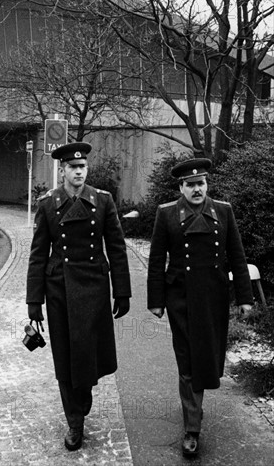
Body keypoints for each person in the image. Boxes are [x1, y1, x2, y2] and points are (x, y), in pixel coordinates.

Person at [26, 142, 131, 451]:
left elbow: (116, 247)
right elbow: (37, 256)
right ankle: (74, 421)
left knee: (86, 356)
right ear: (63, 170)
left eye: (83, 167)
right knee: (65, 357)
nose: (79, 172)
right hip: (59, 289)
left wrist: (122, 291)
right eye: (73, 167)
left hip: (94, 289)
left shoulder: (102, 201)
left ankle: (81, 398)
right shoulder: (48, 204)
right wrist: (34, 303)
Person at [147, 158, 253, 458]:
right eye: (190, 185)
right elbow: (156, 260)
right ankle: (192, 428)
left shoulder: (223, 211)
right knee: (188, 360)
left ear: (207, 185)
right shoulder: (167, 214)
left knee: (208, 356)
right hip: (180, 299)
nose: (197, 189)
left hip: (214, 298)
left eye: (201, 184)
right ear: (181, 187)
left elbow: (237, 255)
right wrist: (156, 300)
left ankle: (196, 407)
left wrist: (244, 297)